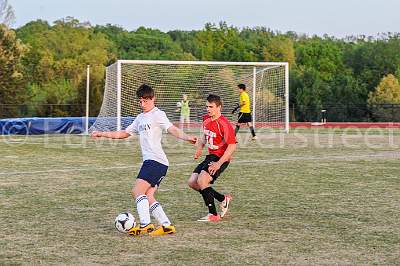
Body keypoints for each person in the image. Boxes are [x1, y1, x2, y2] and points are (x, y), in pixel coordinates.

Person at [91, 84, 197, 236]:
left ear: (153, 99)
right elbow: (124, 133)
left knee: (136, 191)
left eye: (145, 101)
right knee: (148, 195)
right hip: (154, 163)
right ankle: (166, 226)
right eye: (140, 101)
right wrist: (102, 134)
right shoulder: (140, 118)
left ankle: (146, 224)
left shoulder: (158, 114)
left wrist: (187, 138)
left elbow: (172, 129)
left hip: (155, 161)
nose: (142, 104)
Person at [188, 94, 237, 222]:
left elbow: (231, 147)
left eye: (211, 107)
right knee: (192, 182)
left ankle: (213, 215)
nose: (208, 109)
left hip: (221, 158)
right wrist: (199, 149)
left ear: (219, 107)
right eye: (207, 106)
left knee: (202, 181)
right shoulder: (206, 120)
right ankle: (222, 199)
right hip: (210, 156)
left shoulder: (225, 124)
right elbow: (204, 136)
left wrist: (219, 164)